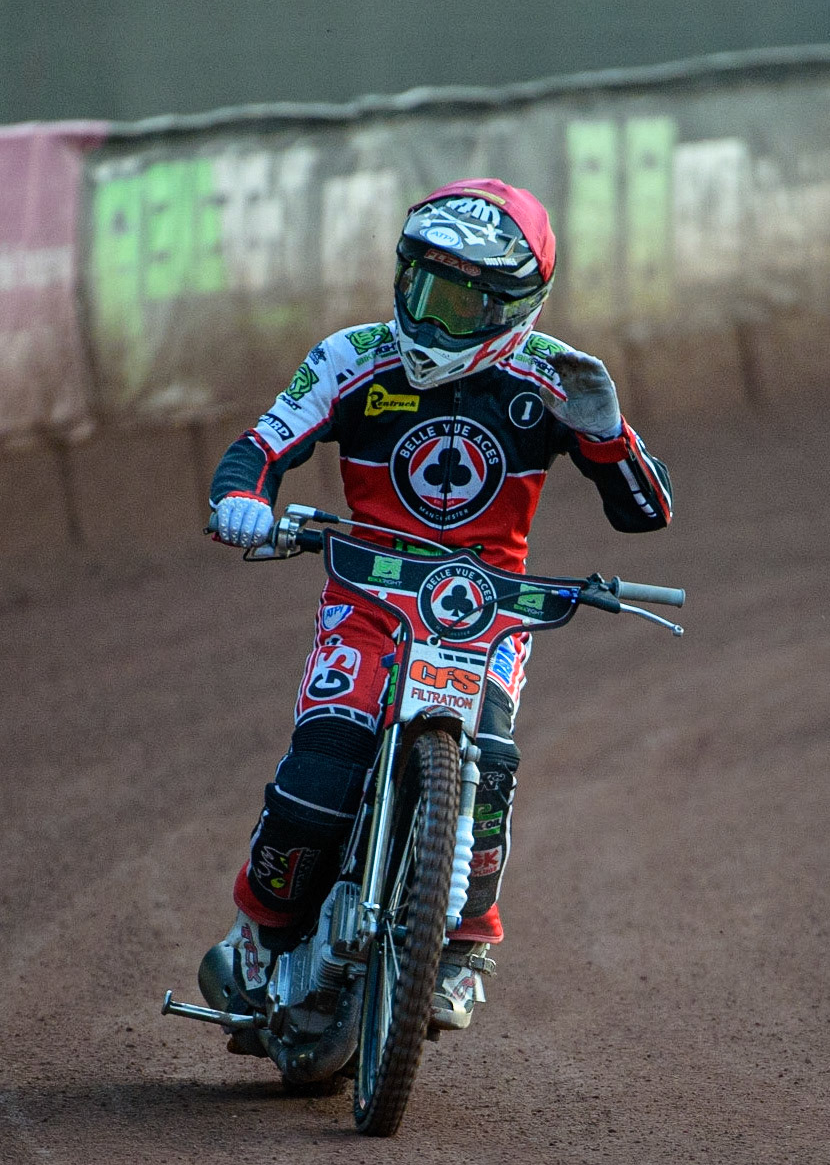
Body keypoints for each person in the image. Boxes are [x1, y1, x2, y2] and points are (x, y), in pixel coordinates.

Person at [198, 178, 673, 1034]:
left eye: (461, 300)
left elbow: (645, 513)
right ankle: (258, 935)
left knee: (490, 764)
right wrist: (243, 501)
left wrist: (606, 434)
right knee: (324, 764)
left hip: (486, 609)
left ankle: (463, 949)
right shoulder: (352, 355)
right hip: (369, 598)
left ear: (513, 306)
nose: (433, 316)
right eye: (422, 286)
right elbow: (259, 447)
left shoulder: (555, 376)